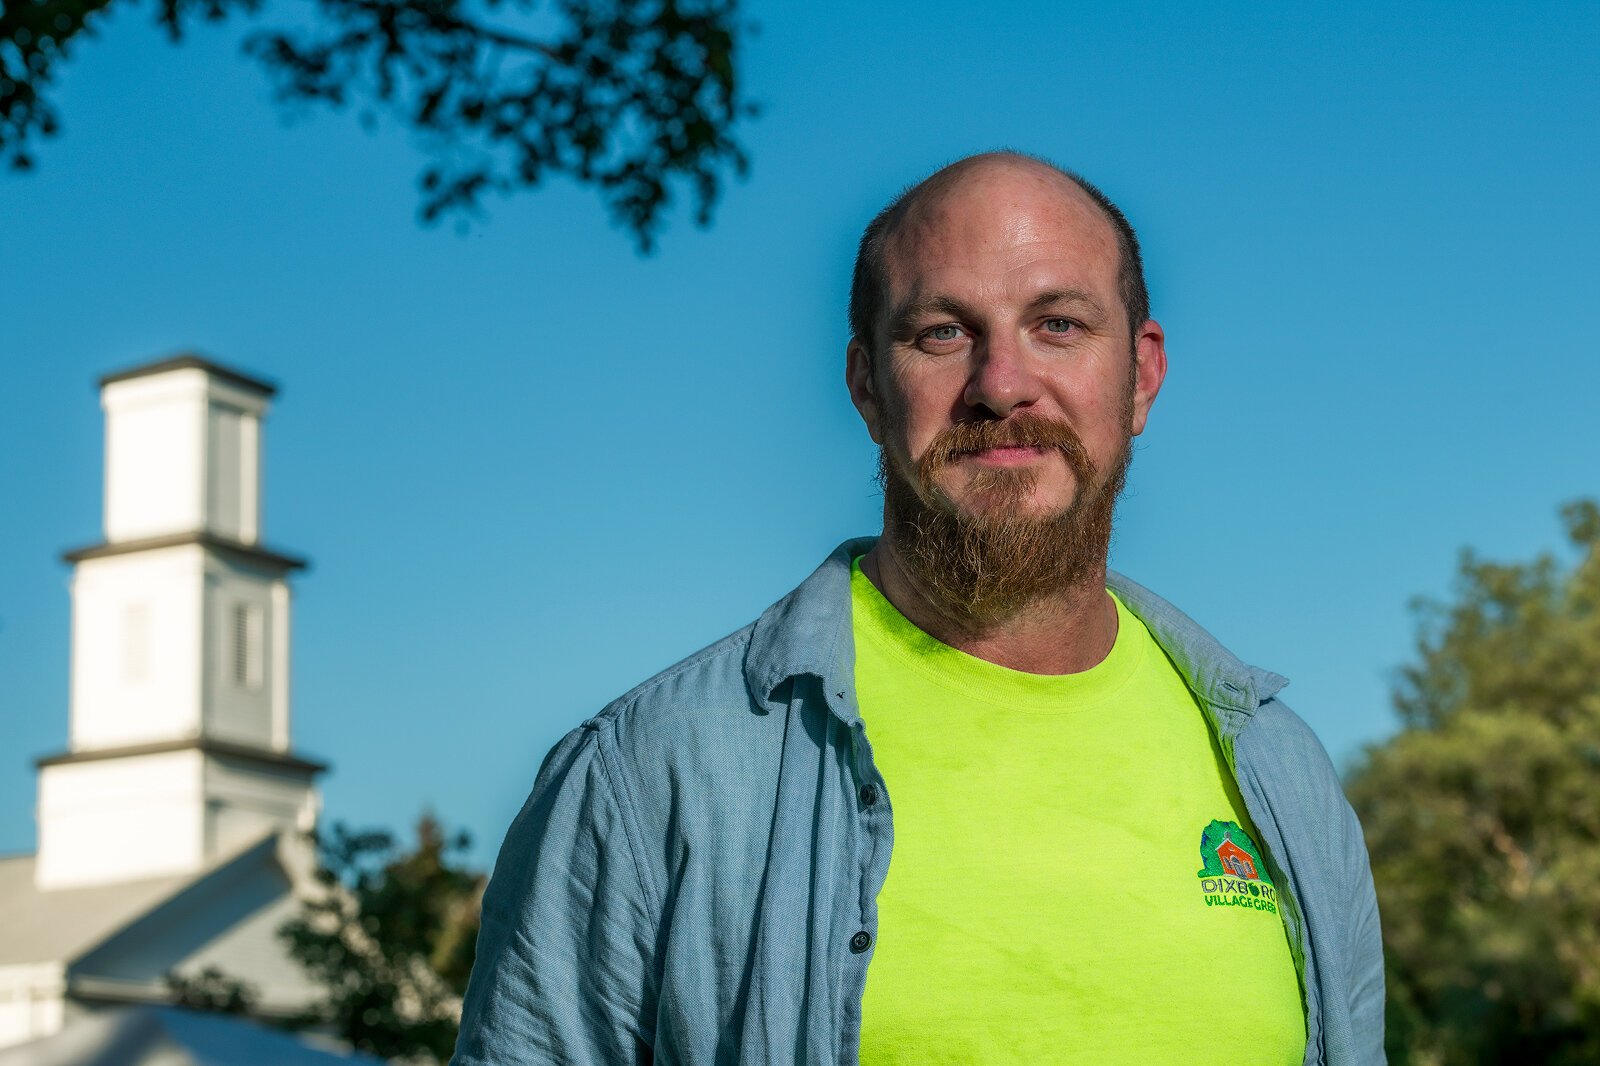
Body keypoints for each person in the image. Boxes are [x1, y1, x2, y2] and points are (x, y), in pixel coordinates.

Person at [451, 152, 1385, 1065]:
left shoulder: (1281, 777)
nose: (1002, 384)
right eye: (942, 332)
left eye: (1057, 323)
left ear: (1141, 374)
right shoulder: (652, 774)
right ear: (866, 385)